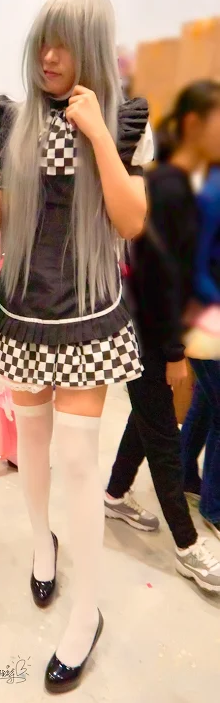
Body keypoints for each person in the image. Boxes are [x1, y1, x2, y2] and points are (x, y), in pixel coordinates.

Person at [0, 0, 151, 693]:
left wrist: (97, 131)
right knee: (33, 446)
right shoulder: (10, 119)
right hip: (23, 306)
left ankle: (87, 610)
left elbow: (130, 220)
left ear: (91, 46)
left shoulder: (124, 118)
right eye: (43, 40)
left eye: (65, 43)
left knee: (78, 458)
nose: (49, 55)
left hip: (86, 310)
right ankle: (41, 544)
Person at [105, 81, 220, 594]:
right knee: (165, 439)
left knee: (147, 414)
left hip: (146, 323)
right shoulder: (169, 186)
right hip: (148, 328)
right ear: (193, 125)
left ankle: (114, 494)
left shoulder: (177, 180)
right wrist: (174, 351)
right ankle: (187, 546)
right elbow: (159, 273)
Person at [181, 162, 220, 540]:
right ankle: (213, 506)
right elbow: (196, 267)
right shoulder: (212, 193)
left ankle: (185, 476)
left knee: (207, 403)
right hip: (204, 317)